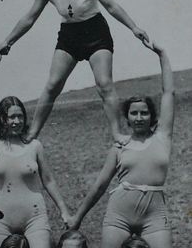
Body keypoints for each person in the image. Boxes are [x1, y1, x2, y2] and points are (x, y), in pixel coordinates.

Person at [0, 0, 149, 142]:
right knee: (52, 84)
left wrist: (134, 27)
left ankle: (118, 134)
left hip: (96, 33)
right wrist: (8, 41)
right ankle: (31, 134)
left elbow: (111, 5)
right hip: (70, 37)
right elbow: (29, 18)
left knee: (104, 83)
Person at [67, 40, 175, 248]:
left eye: (144, 112)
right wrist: (77, 217)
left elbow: (169, 92)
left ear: (152, 116)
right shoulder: (120, 146)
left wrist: (162, 55)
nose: (139, 117)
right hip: (119, 216)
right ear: (127, 117)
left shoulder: (162, 137)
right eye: (134, 113)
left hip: (155, 215)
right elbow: (100, 186)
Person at [0, 52, 70, 248]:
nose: (17, 121)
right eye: (11, 117)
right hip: (1, 217)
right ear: (2, 118)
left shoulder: (34, 145)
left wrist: (64, 210)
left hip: (34, 217)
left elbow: (49, 180)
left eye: (20, 116)